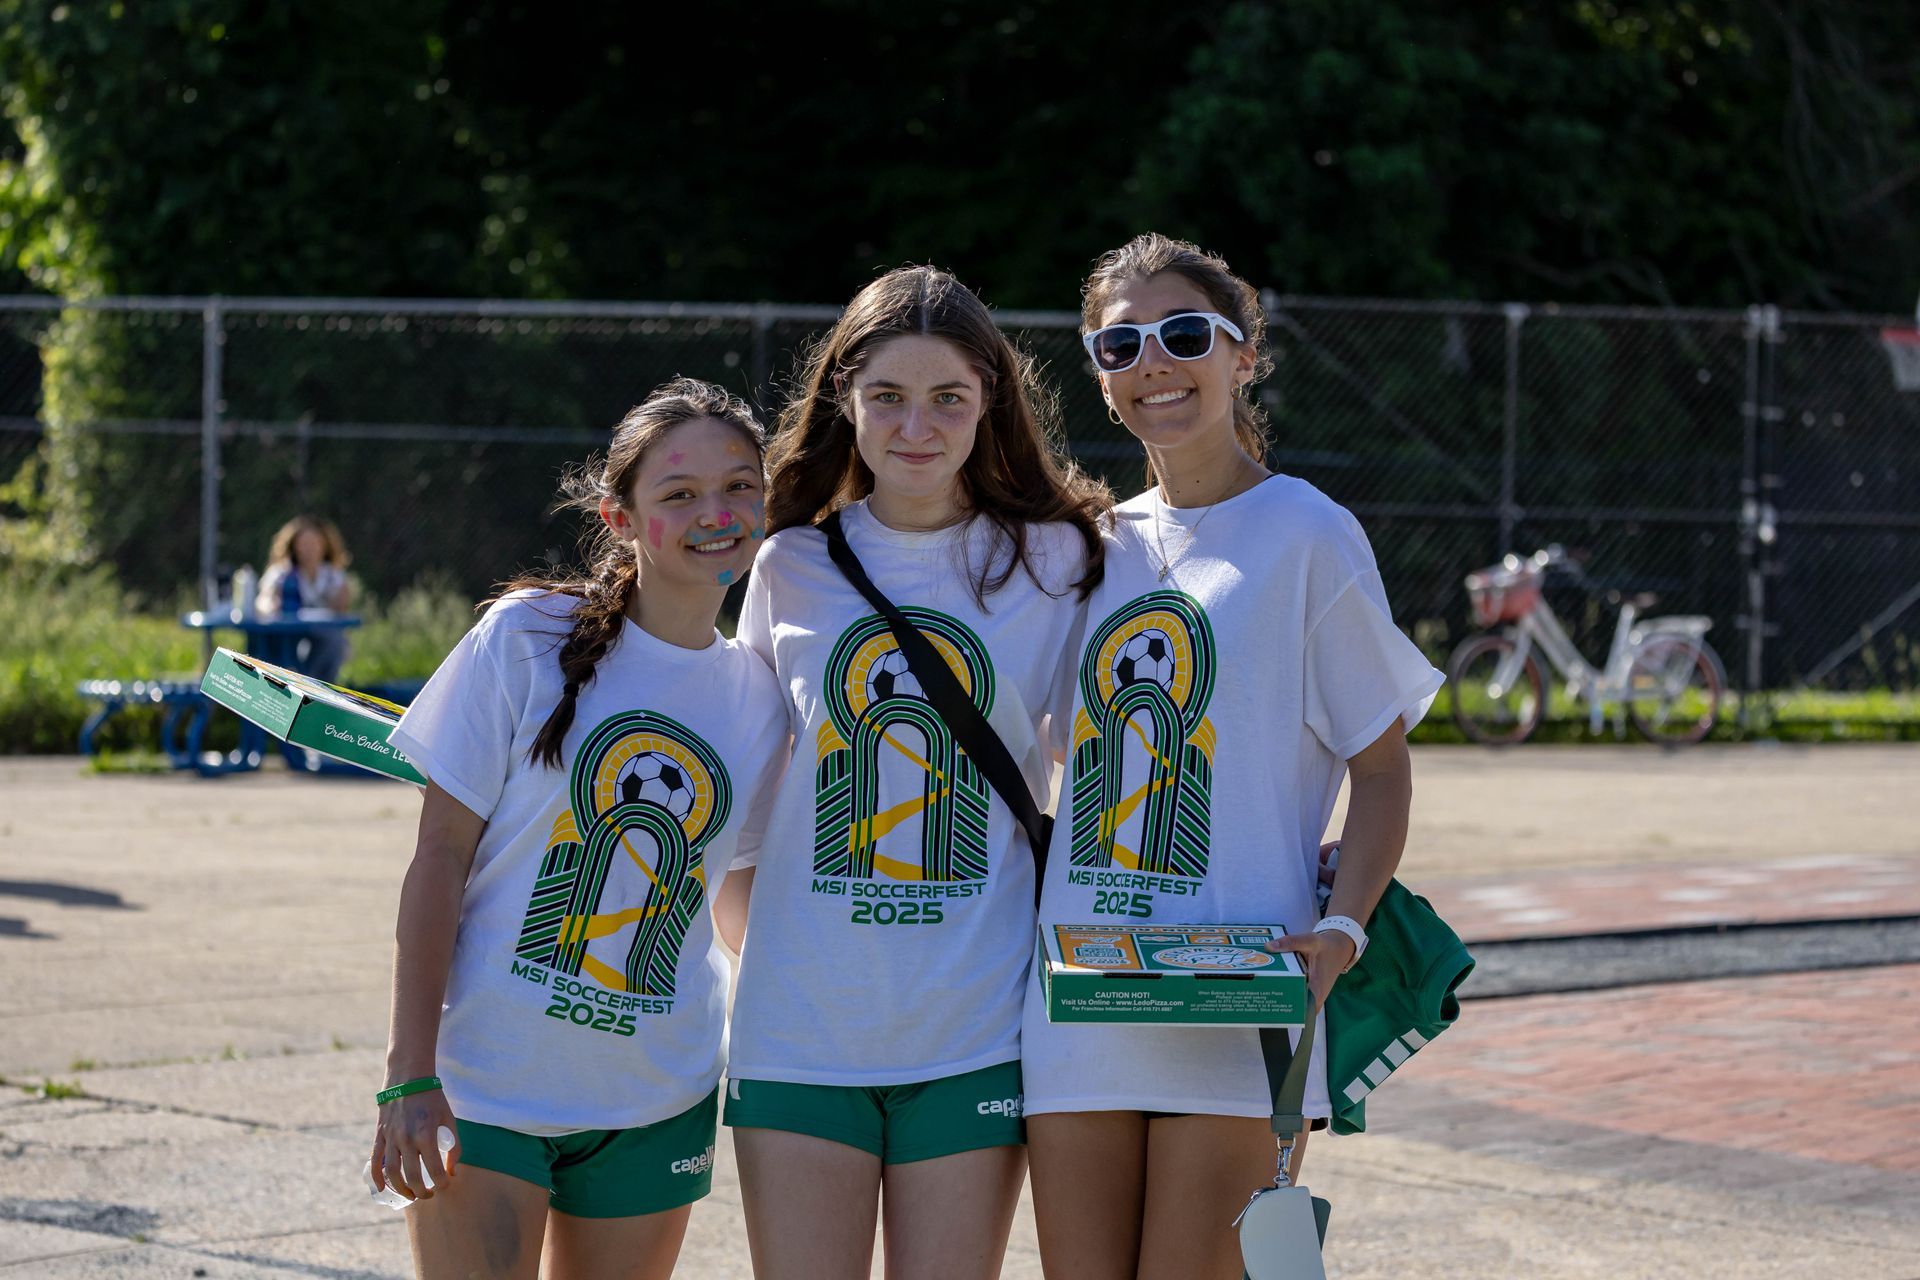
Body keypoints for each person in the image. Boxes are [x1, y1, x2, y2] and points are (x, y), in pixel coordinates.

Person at [1021, 233, 1444, 1280]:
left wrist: (1342, 928)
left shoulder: (1307, 531)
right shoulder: (1087, 546)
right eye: (1121, 343)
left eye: (1182, 334)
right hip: (1082, 999)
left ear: (1241, 355)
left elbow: (1381, 766)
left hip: (1240, 999)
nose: (1153, 363)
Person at [723, 265, 1110, 1280]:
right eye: (887, 396)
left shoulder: (1058, 560)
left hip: (975, 1023)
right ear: (843, 399)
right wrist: (761, 958)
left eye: (947, 397)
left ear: (991, 401)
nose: (916, 427)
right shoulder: (787, 564)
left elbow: (1114, 757)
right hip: (798, 1031)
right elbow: (751, 800)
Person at [368, 378, 791, 1280]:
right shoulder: (526, 636)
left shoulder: (762, 694)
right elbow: (438, 862)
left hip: (659, 1093)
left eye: (740, 488)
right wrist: (409, 1073)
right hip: (486, 1086)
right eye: (678, 494)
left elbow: (735, 896)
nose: (715, 514)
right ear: (620, 518)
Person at [256, 515, 355, 681]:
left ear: (324, 545)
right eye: (303, 544)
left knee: (334, 642)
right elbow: (263, 602)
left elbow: (340, 608)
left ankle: (315, 687)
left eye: (315, 543)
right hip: (286, 634)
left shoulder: (332, 575)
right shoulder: (282, 573)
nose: (309, 549)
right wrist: (271, 604)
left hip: (319, 637)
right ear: (294, 546)